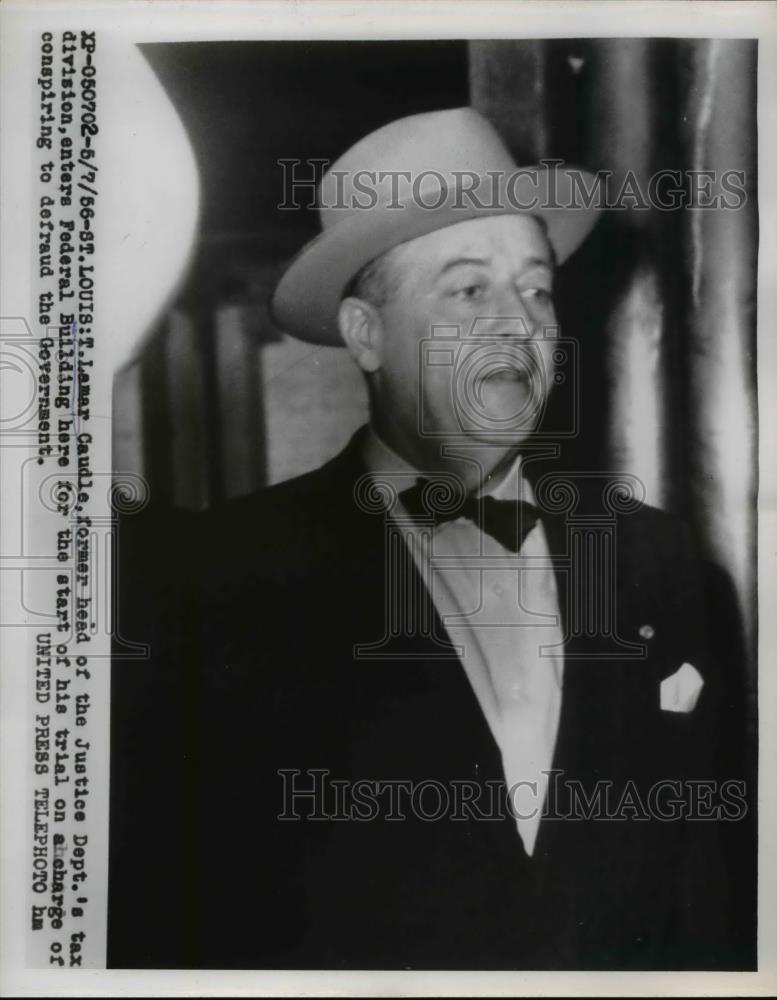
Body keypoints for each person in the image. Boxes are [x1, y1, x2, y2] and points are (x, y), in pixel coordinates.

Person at [108, 108, 754, 971]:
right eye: (466, 288)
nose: (517, 323)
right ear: (366, 335)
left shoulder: (658, 563)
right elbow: (164, 924)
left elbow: (707, 909)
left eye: (535, 287)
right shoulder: (209, 581)